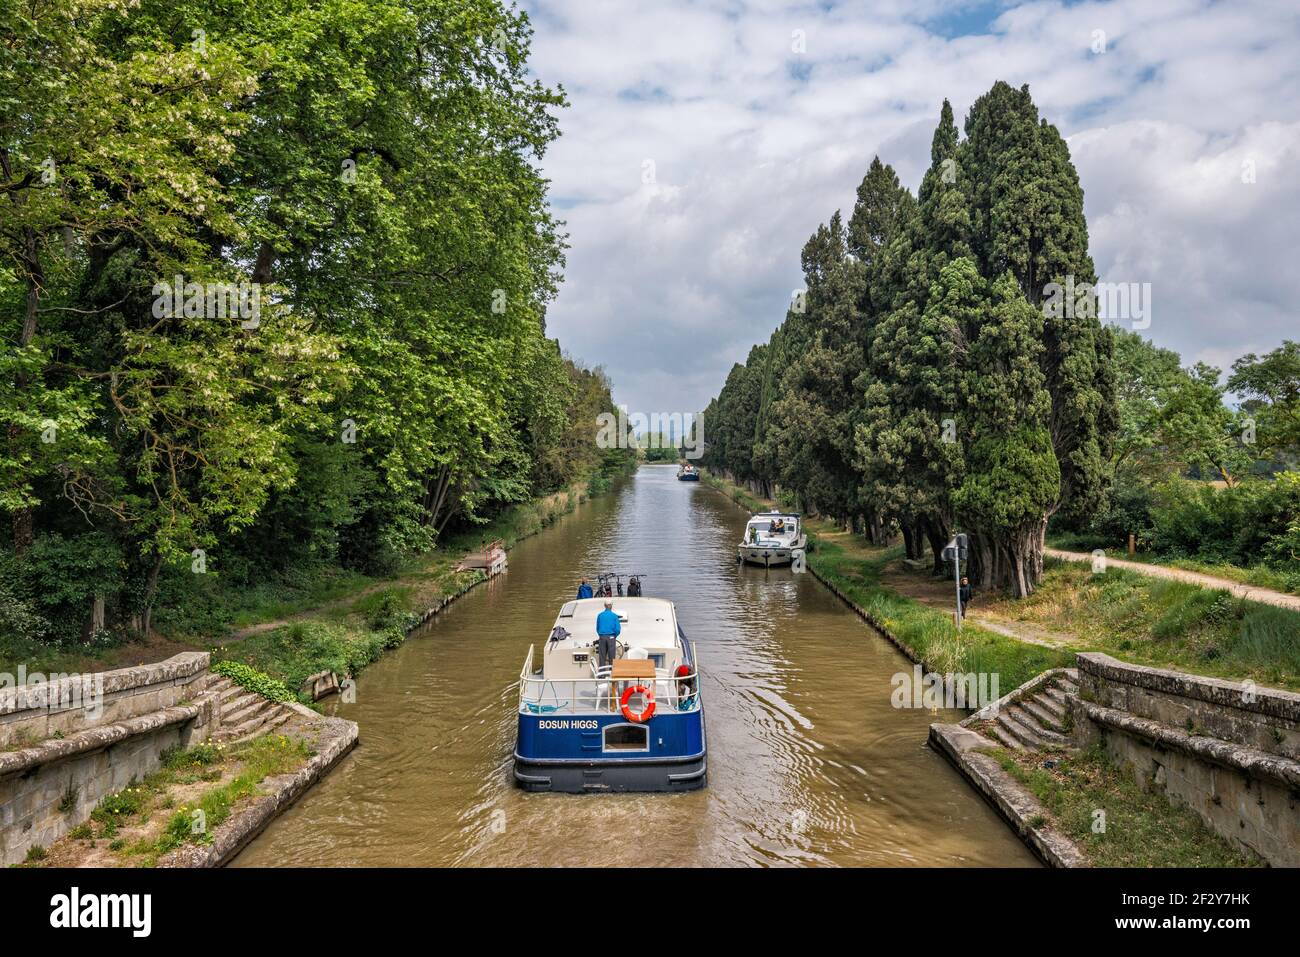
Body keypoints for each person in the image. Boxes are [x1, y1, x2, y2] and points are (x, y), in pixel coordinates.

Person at [595, 599, 621, 669]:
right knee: (612, 658)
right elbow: (618, 629)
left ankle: (602, 675)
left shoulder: (600, 615)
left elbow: (597, 628)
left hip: (602, 637)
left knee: (602, 657)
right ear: (611, 606)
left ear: (604, 606)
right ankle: (612, 674)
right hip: (611, 637)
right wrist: (614, 636)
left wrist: (601, 635)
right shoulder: (614, 616)